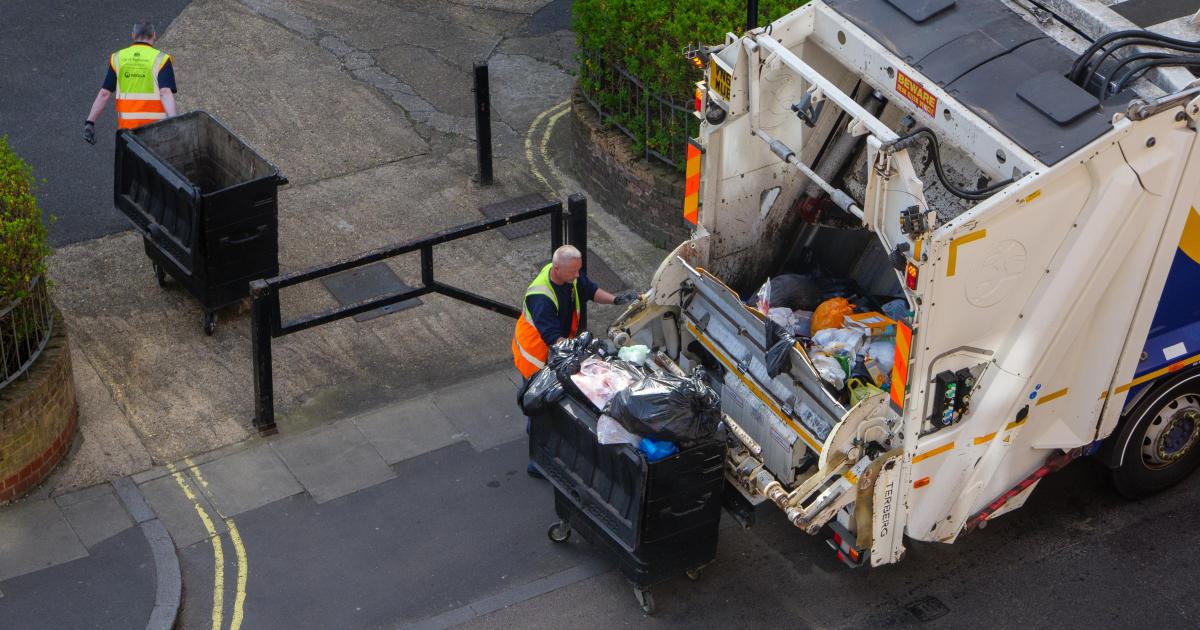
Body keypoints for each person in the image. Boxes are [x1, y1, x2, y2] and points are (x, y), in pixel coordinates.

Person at [513, 245, 638, 477]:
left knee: (548, 407)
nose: (578, 275)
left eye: (579, 270)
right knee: (541, 406)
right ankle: (537, 461)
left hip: (555, 353)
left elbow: (591, 290)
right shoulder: (541, 297)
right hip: (537, 358)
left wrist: (616, 299)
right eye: (573, 271)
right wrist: (582, 352)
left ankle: (542, 443)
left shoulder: (570, 277)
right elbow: (553, 339)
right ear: (557, 268)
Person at [83, 20, 178, 144]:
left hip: (127, 131)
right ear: (154, 35)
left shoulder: (118, 58)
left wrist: (90, 122)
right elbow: (165, 92)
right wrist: (175, 123)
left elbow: (104, 94)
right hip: (156, 130)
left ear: (133, 35)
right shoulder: (162, 59)